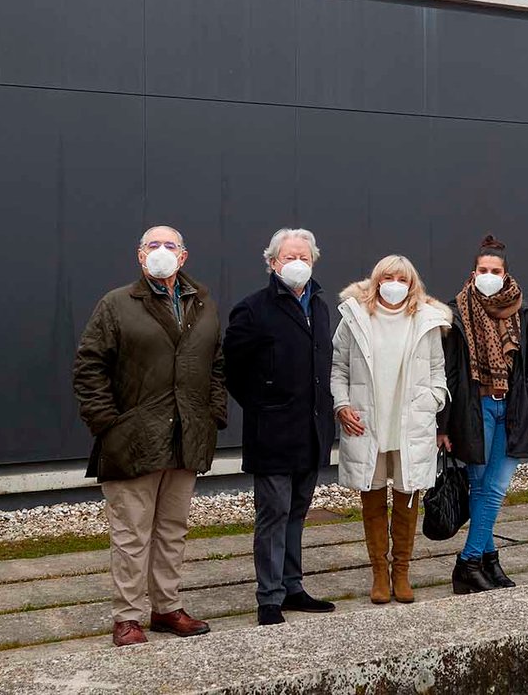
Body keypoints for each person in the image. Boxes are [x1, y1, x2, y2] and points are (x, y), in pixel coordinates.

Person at [71, 225, 226, 647]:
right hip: (134, 440)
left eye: (169, 245)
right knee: (131, 533)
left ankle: (167, 607)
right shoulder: (117, 304)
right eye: (152, 245)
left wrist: (212, 415)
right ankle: (127, 616)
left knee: (172, 528)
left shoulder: (202, 304)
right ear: (140, 256)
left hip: (186, 436)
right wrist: (108, 424)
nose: (161, 251)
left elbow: (216, 364)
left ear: (183, 256)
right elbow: (89, 367)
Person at [222, 227, 337, 626]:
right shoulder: (253, 310)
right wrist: (262, 404)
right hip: (272, 432)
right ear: (272, 263)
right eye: (289, 257)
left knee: (297, 513)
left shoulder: (319, 306)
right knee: (273, 514)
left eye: (304, 257)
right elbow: (231, 369)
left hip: (311, 431)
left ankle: (292, 586)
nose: (297, 264)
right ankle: (269, 597)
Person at [330, 254, 452, 605]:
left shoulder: (426, 320)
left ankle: (401, 571)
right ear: (376, 281)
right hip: (367, 423)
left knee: (406, 499)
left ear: (412, 284)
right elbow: (339, 368)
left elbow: (437, 371)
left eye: (402, 279)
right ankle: (379, 574)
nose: (394, 285)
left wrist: (432, 400)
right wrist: (342, 404)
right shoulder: (354, 317)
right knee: (371, 500)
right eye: (387, 277)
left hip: (409, 425)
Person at [438, 234, 528, 594]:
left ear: (505, 274)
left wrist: (525, 396)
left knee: (495, 487)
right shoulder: (456, 313)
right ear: (473, 274)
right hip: (475, 410)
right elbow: (449, 373)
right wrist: (444, 424)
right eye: (482, 270)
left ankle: (470, 562)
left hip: (511, 409)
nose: (488, 275)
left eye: (495, 270)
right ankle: (484, 561)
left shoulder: (523, 310)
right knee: (482, 486)